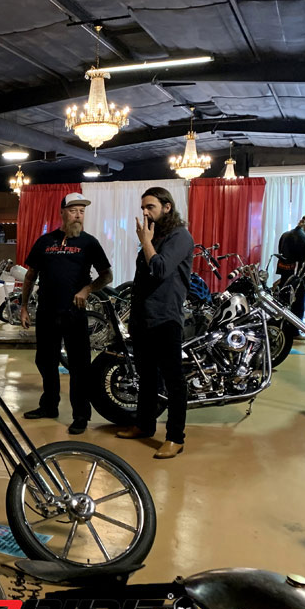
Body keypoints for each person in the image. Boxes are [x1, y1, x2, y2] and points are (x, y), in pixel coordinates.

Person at [20, 192, 112, 435]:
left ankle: (80, 415)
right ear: (62, 212)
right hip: (46, 312)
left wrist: (87, 289)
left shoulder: (89, 243)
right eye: (73, 210)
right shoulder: (45, 242)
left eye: (82, 211)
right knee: (45, 361)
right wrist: (23, 307)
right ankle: (49, 405)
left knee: (79, 366)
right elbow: (30, 276)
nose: (78, 215)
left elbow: (107, 276)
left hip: (74, 313)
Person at [115, 187, 194, 459]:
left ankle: (175, 438)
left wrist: (146, 242)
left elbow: (160, 269)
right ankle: (144, 425)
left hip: (166, 318)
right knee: (147, 377)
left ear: (167, 207)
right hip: (143, 318)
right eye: (143, 208)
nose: (145, 213)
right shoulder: (155, 236)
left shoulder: (180, 236)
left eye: (150, 207)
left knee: (173, 380)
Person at [276, 214, 305, 338]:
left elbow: (280, 253)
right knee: (298, 304)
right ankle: (294, 331)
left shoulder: (284, 235)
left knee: (283, 301)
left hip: (284, 273)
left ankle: (281, 328)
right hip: (298, 276)